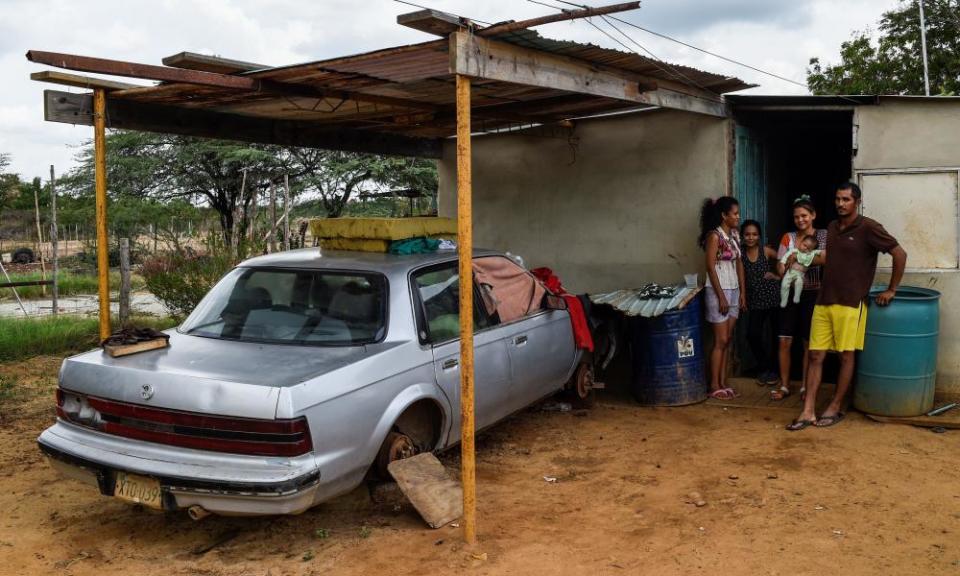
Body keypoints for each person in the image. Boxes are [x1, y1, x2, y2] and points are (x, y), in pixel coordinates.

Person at [787, 182, 907, 430]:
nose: (840, 204)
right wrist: (800, 258)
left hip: (851, 303)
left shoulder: (869, 228)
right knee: (815, 355)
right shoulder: (831, 227)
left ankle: (835, 405)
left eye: (846, 199)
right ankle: (808, 410)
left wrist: (891, 288)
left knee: (845, 355)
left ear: (857, 201)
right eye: (837, 199)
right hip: (824, 300)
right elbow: (831, 258)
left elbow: (899, 254)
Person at [771, 196, 828, 401]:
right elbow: (779, 266)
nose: (800, 220)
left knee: (807, 342)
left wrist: (798, 257)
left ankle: (805, 386)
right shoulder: (788, 237)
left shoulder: (823, 236)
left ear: (813, 215)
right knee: (784, 340)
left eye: (804, 215)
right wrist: (786, 262)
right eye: (796, 217)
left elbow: (827, 258)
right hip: (790, 291)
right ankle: (785, 385)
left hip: (813, 293)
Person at [698, 197, 746, 400]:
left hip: (733, 289)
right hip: (719, 291)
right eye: (734, 213)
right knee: (721, 340)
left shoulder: (733, 235)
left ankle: (724, 382)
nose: (738, 217)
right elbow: (710, 267)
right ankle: (714, 385)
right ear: (724, 216)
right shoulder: (714, 236)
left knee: (727, 340)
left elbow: (739, 264)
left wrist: (742, 292)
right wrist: (721, 297)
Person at [740, 219, 781, 386]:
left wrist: (778, 276)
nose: (751, 237)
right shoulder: (740, 254)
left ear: (759, 236)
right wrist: (742, 295)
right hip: (755, 300)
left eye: (754, 234)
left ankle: (775, 371)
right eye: (747, 234)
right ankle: (765, 368)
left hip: (773, 298)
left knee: (776, 336)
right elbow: (741, 276)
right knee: (753, 334)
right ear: (743, 236)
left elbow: (786, 259)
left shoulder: (766, 251)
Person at [779, 235, 821, 307]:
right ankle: (784, 300)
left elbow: (819, 252)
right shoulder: (794, 251)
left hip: (800, 274)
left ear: (812, 250)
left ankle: (796, 297)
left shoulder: (810, 254)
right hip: (790, 272)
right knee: (784, 285)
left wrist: (817, 252)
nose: (805, 248)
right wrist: (782, 263)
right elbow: (785, 256)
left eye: (809, 248)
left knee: (799, 284)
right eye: (804, 245)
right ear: (801, 242)